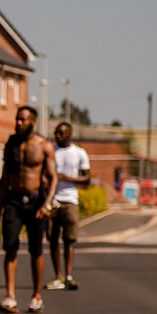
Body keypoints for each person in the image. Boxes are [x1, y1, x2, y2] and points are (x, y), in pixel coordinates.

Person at [0, 106, 57, 314]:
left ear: (32, 121)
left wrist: (47, 203)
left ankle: (36, 295)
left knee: (36, 250)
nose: (18, 123)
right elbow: (5, 179)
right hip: (13, 201)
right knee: (10, 248)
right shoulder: (11, 145)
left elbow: (52, 178)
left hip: (36, 203)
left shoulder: (44, 146)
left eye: (22, 120)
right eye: (17, 119)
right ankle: (10, 296)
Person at [46, 121, 91, 291]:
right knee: (52, 239)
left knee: (69, 240)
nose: (57, 136)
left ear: (69, 135)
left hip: (70, 199)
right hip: (53, 199)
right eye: (56, 133)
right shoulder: (51, 151)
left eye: (61, 133)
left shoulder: (79, 153)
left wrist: (67, 178)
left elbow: (86, 178)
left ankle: (69, 275)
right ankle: (58, 276)